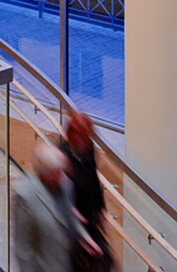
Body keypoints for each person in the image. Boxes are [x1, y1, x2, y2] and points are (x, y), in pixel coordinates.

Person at [13, 140, 76, 272]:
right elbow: (23, 249)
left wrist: (84, 235)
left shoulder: (66, 184)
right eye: (57, 172)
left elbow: (69, 217)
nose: (62, 176)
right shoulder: (26, 195)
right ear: (45, 172)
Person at [64, 109, 111, 271]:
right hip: (73, 222)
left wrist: (100, 210)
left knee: (102, 259)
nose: (89, 139)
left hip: (89, 216)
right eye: (86, 136)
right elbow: (59, 194)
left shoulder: (88, 149)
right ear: (75, 136)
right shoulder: (63, 157)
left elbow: (93, 180)